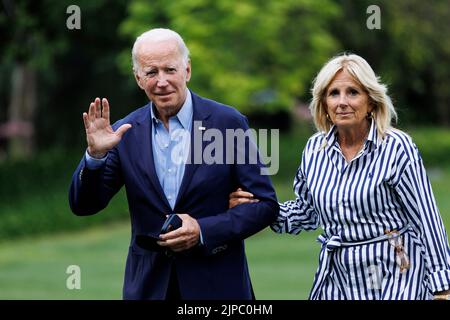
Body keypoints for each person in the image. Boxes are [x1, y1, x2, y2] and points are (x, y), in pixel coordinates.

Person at [69, 28, 279, 300]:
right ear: (138, 79)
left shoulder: (227, 123)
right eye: (151, 73)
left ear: (187, 70)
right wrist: (95, 156)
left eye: (170, 69)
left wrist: (203, 230)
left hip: (217, 288)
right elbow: (84, 205)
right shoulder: (123, 133)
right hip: (148, 287)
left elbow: (265, 206)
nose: (162, 81)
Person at [230, 53, 450, 300]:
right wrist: (258, 208)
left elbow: (426, 219)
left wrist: (442, 287)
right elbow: (306, 212)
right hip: (338, 277)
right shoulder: (314, 149)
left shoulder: (397, 147)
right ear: (323, 102)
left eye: (353, 92)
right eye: (334, 93)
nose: (342, 102)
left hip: (395, 274)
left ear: (371, 101)